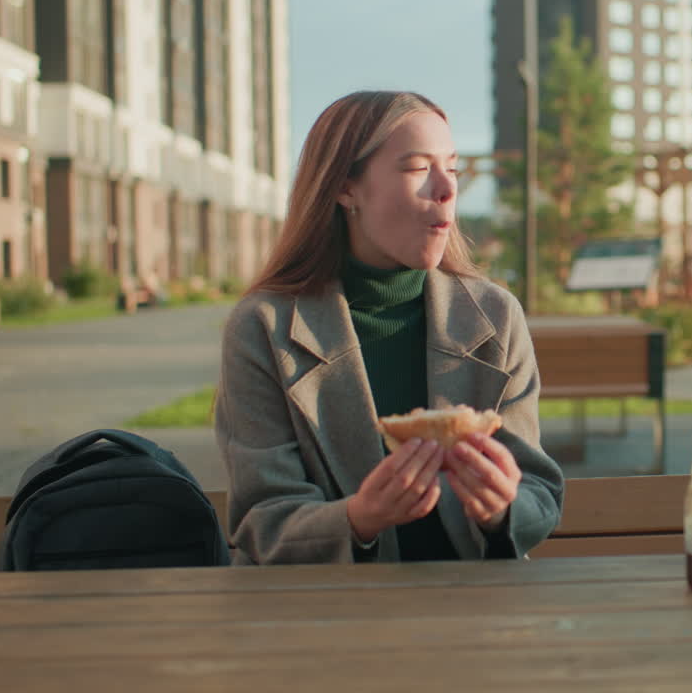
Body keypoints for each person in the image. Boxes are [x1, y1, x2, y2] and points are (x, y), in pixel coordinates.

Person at [215, 91, 564, 565]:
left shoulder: (496, 316)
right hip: (322, 619)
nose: (446, 189)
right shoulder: (263, 327)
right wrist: (360, 518)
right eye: (418, 168)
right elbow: (262, 521)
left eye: (453, 169)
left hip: (474, 613)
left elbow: (538, 495)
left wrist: (504, 509)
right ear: (345, 188)